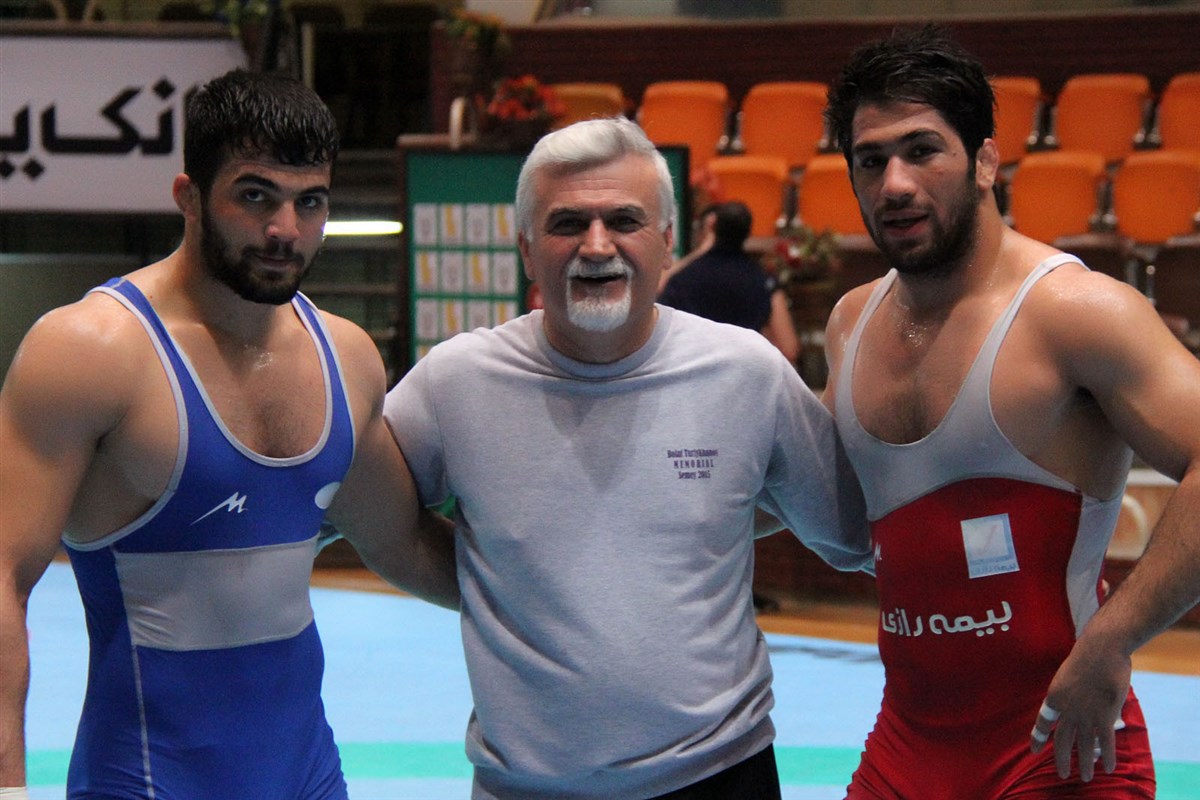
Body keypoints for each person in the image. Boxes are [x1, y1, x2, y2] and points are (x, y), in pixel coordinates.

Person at [0, 69, 457, 799]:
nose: (285, 230)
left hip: (309, 780)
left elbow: (403, 542)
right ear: (188, 197)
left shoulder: (346, 357)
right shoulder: (92, 353)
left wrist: (561, 601)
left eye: (310, 202)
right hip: (145, 784)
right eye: (255, 196)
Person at [383, 116, 871, 799]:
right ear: (526, 249)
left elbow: (855, 532)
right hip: (525, 787)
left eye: (624, 220)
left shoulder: (745, 372)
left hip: (719, 775)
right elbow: (363, 514)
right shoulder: (455, 382)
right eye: (566, 224)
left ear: (668, 242)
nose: (596, 245)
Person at [820, 25, 1200, 798]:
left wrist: (1115, 639)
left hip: (1060, 747)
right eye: (871, 160)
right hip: (906, 747)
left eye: (922, 150)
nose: (895, 183)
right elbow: (824, 505)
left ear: (986, 161)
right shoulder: (851, 323)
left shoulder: (1075, 312)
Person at [658, 201, 800, 364]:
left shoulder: (682, 279)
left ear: (713, 228)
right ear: (748, 233)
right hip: (743, 371)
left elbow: (661, 330)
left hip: (692, 370)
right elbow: (789, 348)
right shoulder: (762, 281)